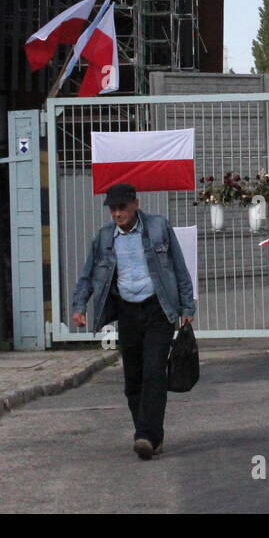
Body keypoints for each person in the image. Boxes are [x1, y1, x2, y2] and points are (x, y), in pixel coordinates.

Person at [71, 183, 196, 459]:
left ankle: (145, 436)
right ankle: (151, 434)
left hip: (158, 308)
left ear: (135, 204)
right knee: (133, 379)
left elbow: (179, 267)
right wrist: (79, 306)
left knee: (154, 372)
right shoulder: (105, 238)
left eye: (122, 208)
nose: (117, 214)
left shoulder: (159, 227)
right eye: (113, 209)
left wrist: (188, 305)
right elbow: (88, 274)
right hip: (127, 310)